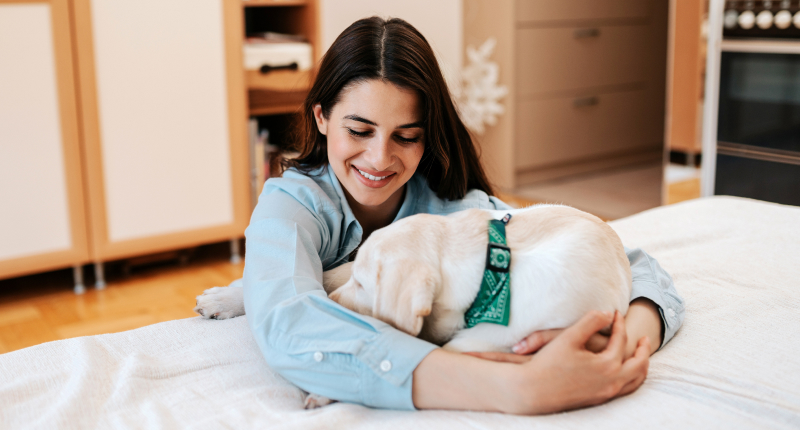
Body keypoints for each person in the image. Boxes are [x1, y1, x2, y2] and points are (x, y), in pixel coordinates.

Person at [242, 16, 684, 414]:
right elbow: (287, 322)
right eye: (359, 130)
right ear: (322, 117)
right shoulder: (292, 205)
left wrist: (618, 341)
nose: (379, 158)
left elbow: (637, 266)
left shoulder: (455, 210)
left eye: (406, 136)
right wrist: (517, 387)